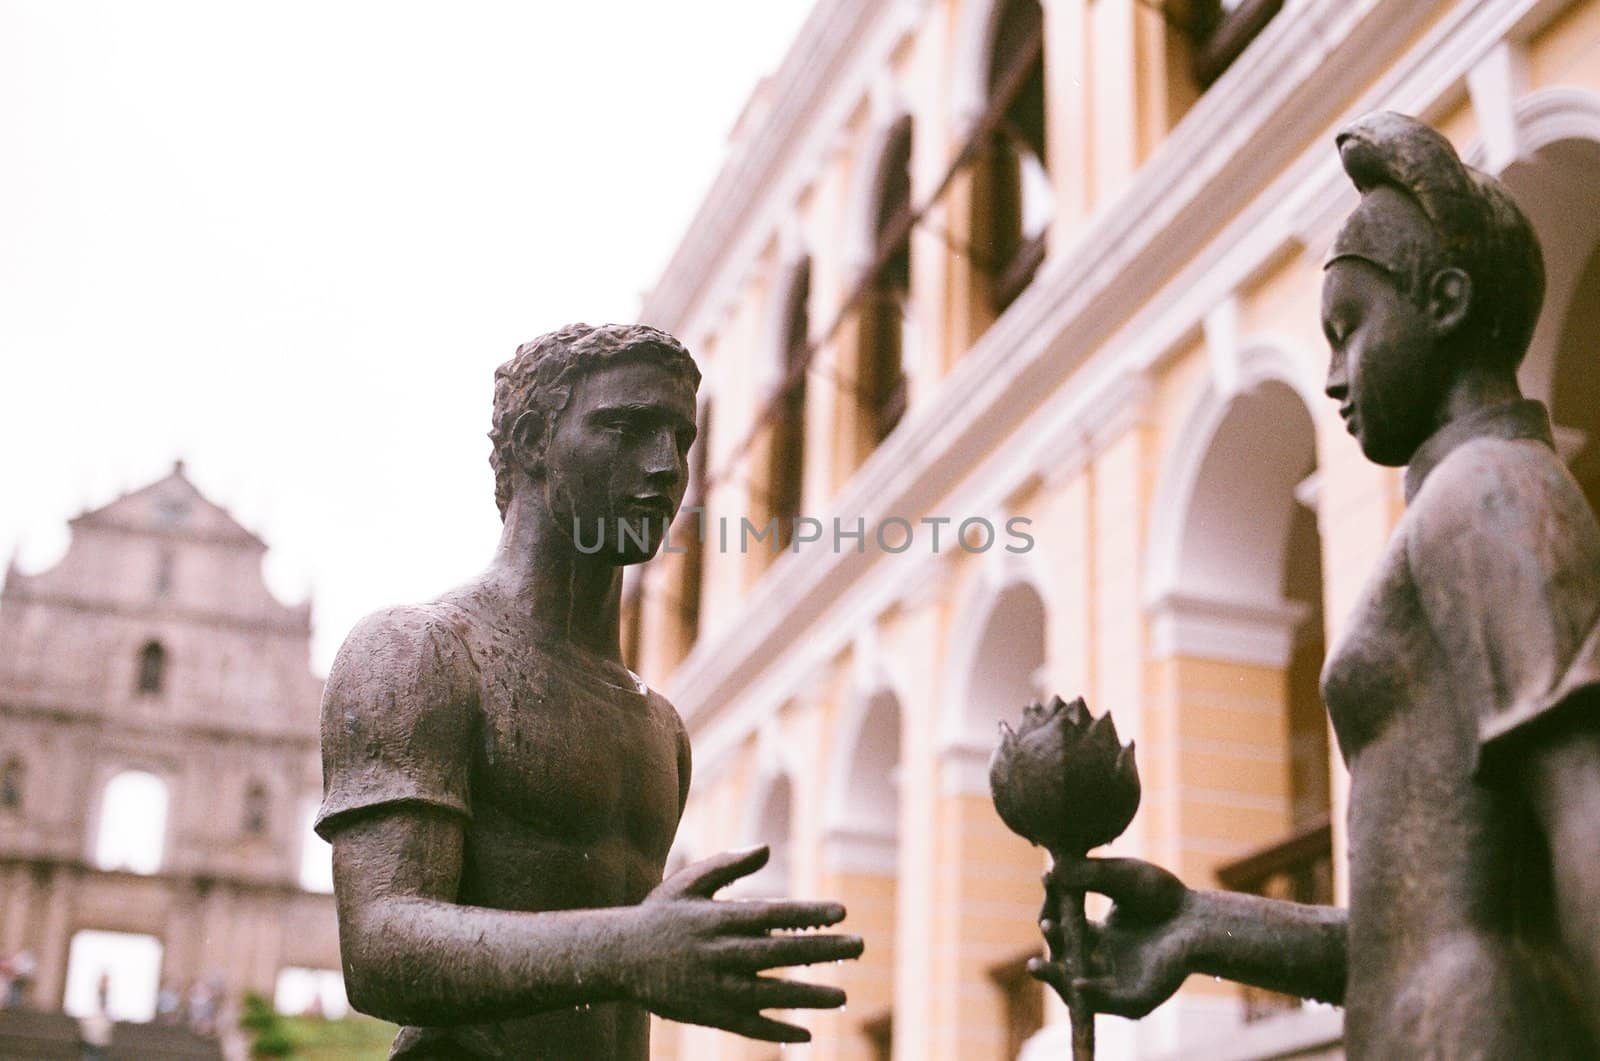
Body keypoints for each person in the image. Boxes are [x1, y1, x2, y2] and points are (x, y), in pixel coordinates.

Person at [1029, 113, 1600, 1058]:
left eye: (1348, 331)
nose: (1332, 376)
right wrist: (1201, 925)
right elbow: (1422, 927)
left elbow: (1586, 800)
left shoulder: (1491, 490)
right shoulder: (1464, 501)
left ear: (1447, 302)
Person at [316, 324, 862, 1059]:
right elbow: (379, 946)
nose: (666, 466)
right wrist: (626, 946)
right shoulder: (418, 651)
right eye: (625, 427)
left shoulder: (658, 724)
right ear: (535, 440)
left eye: (680, 438)